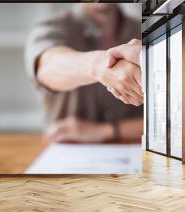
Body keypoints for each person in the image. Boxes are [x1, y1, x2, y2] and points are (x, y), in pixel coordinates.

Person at [25, 3, 143, 144]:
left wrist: (102, 131)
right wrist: (101, 66)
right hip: (66, 152)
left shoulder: (144, 28)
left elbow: (169, 120)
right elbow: (47, 67)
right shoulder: (52, 26)